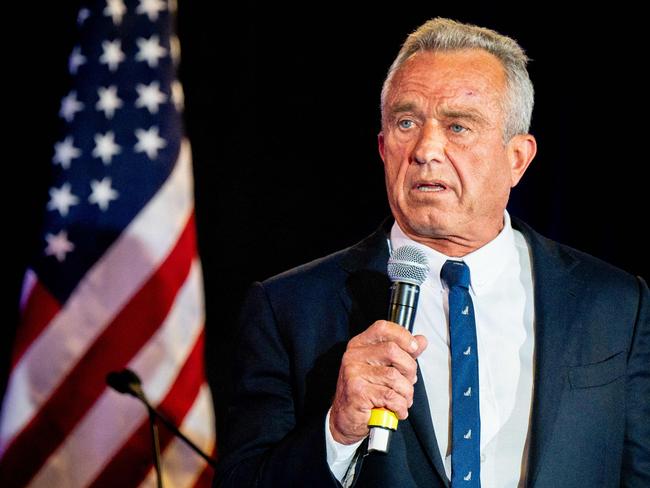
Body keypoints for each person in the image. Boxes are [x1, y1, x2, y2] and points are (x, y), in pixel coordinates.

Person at [214, 18, 649, 488]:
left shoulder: (614, 303)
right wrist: (336, 433)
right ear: (383, 148)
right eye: (406, 123)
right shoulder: (288, 309)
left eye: (458, 126)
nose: (425, 149)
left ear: (517, 158)